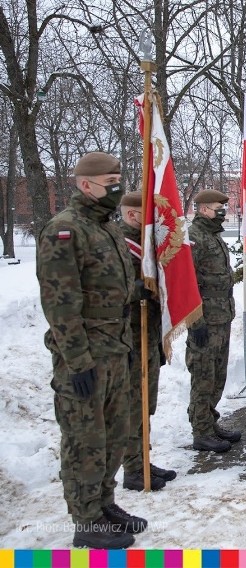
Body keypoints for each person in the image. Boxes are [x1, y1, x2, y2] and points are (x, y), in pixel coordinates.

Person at [36, 152, 146, 549]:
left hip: (115, 349)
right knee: (86, 439)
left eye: (119, 177)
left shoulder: (108, 229)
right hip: (84, 358)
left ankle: (104, 503)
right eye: (110, 180)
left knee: (115, 434)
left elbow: (117, 291)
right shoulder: (64, 230)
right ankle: (85, 519)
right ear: (86, 185)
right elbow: (61, 303)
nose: (117, 186)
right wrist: (78, 361)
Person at [117, 192, 177, 491]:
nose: (153, 221)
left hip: (148, 334)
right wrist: (134, 290)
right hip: (129, 337)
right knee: (132, 404)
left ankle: (142, 460)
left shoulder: (148, 247)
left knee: (146, 403)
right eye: (147, 215)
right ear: (131, 215)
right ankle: (132, 469)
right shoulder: (117, 245)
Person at [186, 189, 241, 452]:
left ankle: (210, 421)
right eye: (219, 208)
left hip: (221, 316)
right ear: (203, 209)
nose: (223, 211)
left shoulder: (212, 235)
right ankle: (201, 431)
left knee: (218, 375)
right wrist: (195, 322)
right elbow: (187, 284)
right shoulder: (194, 237)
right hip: (205, 320)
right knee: (203, 376)